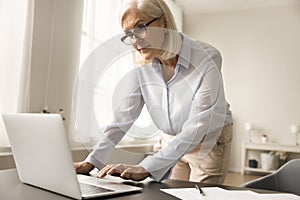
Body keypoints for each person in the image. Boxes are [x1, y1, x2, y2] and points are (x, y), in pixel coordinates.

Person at [75, 0, 233, 184]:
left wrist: (147, 166)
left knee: (201, 195)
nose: (135, 41)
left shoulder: (206, 57)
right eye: (128, 35)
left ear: (164, 22)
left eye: (140, 27)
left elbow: (200, 123)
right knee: (170, 195)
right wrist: (92, 161)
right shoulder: (143, 66)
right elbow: (122, 118)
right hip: (169, 140)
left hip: (207, 141)